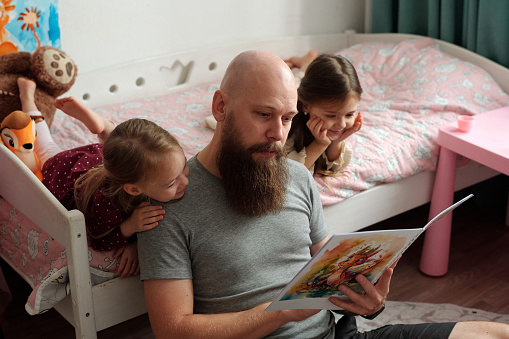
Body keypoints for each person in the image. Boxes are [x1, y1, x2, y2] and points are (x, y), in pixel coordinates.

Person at [137, 51, 509, 338]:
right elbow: (173, 330)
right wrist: (282, 312)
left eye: (286, 118)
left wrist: (369, 302)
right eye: (264, 115)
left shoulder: (297, 177)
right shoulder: (168, 202)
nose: (278, 135)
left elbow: (329, 271)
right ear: (221, 107)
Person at [16, 77, 189, 278]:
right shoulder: (107, 203)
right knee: (43, 147)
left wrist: (135, 246)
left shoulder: (155, 172)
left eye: (184, 168)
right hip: (66, 172)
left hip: (101, 160)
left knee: (129, 151)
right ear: (134, 190)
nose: (185, 182)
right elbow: (97, 240)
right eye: (172, 182)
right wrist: (129, 228)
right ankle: (27, 98)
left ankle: (107, 130)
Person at [284, 50, 363, 176]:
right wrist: (320, 144)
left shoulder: (331, 124)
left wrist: (335, 142)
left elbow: (335, 167)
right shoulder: (288, 123)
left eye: (349, 114)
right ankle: (307, 62)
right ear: (306, 106)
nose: (341, 125)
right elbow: (291, 174)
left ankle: (308, 61)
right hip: (291, 94)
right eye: (331, 115)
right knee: (292, 83)